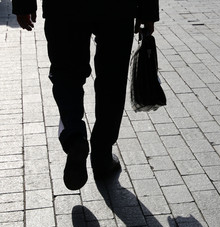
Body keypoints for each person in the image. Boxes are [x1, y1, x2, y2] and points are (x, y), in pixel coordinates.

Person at [13, 0, 159, 190]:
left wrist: (24, 5)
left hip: (63, 8)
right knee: (112, 79)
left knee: (67, 75)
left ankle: (74, 137)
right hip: (117, 8)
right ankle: (102, 155)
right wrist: (148, 10)